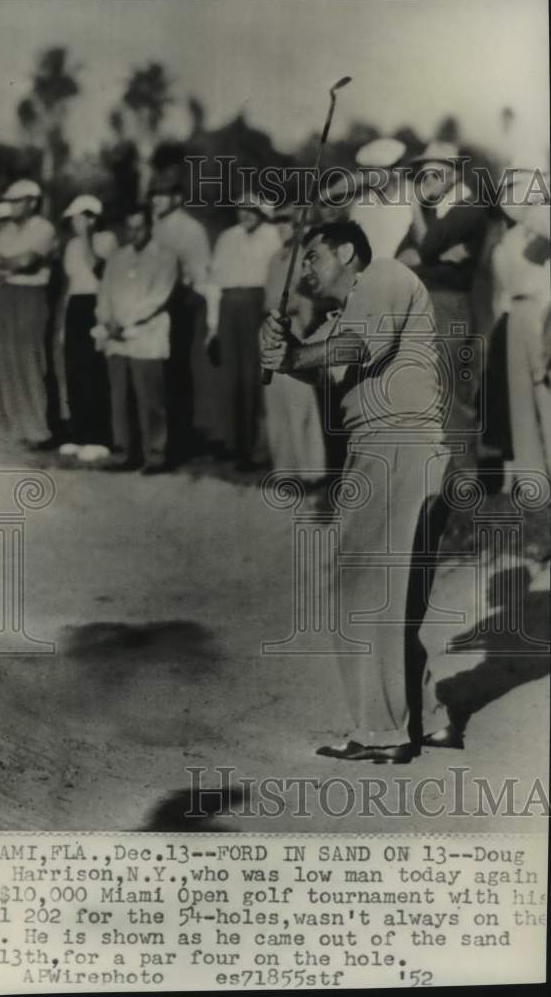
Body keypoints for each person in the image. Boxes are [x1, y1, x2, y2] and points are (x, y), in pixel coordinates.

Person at [260, 220, 453, 763]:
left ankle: (381, 733)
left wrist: (296, 355)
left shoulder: (385, 274)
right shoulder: (346, 313)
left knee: (360, 592)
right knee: (397, 600)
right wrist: (284, 348)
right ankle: (431, 719)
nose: (304, 269)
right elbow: (320, 364)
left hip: (395, 447)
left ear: (347, 252)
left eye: (312, 257)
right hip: (399, 453)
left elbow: (360, 346)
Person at [399, 141, 487, 421]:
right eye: (424, 174)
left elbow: (422, 250)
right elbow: (401, 258)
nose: (427, 181)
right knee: (426, 390)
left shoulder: (468, 207)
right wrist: (434, 258)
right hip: (424, 302)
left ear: (455, 174)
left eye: (435, 173)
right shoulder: (432, 211)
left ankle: (461, 466)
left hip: (449, 306)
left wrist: (424, 254)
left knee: (450, 394)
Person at [94, 206, 177, 474]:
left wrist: (125, 322)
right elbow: (103, 293)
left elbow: (157, 297)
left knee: (150, 399)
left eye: (140, 227)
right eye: (130, 227)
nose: (134, 233)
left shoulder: (166, 258)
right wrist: (107, 320)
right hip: (116, 337)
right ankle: (124, 453)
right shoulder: (117, 258)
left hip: (146, 335)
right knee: (120, 398)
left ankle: (155, 455)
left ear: (150, 226)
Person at [0, 179, 57, 447]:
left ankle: (36, 430)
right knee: (1, 359)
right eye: (10, 201)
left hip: (29, 297)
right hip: (4, 295)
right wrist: (9, 265)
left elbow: (27, 261)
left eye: (17, 201)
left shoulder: (44, 228)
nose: (11, 206)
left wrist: (6, 262)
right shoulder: (7, 230)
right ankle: (9, 428)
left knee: (28, 361)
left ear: (32, 202)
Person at [487, 164, 551, 485]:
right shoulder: (506, 243)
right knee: (520, 395)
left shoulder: (546, 236)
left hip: (543, 311)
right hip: (516, 313)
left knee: (546, 390)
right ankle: (531, 474)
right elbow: (502, 289)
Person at [206, 197, 279, 469]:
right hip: (228, 307)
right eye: (242, 210)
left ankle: (256, 448)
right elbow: (214, 281)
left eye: (253, 211)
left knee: (254, 377)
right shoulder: (227, 238)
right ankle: (233, 443)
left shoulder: (272, 236)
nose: (246, 215)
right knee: (230, 377)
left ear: (263, 213)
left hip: (257, 306)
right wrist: (213, 327)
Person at [149, 169, 212, 462]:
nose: (157, 201)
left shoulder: (190, 229)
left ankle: (180, 440)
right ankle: (158, 436)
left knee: (177, 374)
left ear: (178, 198)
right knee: (154, 372)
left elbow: (199, 275)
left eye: (164, 195)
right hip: (149, 305)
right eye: (155, 195)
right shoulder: (153, 226)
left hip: (180, 306)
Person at [262, 205, 326, 480]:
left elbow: (309, 300)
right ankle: (285, 469)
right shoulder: (276, 258)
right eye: (277, 222)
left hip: (296, 329)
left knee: (301, 401)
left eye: (286, 222)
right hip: (272, 328)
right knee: (277, 401)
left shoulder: (305, 257)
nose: (281, 227)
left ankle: (311, 470)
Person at [60, 194, 118, 464]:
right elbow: (72, 283)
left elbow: (99, 270)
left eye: (78, 217)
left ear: (92, 218)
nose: (74, 223)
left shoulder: (107, 240)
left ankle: (99, 438)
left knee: (94, 369)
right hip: (76, 306)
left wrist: (87, 237)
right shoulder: (71, 245)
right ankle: (80, 434)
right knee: (74, 368)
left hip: (97, 303)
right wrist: (64, 321)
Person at [345, 137, 413, 259]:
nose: (374, 176)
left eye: (381, 170)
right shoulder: (360, 204)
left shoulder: (412, 198)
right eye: (370, 170)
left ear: (395, 170)